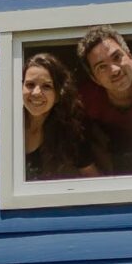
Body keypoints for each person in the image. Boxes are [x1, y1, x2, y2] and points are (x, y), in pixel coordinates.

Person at [21, 51, 109, 180]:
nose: (36, 93)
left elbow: (92, 176)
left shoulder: (71, 134)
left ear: (58, 95)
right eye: (30, 85)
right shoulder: (9, 125)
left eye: (46, 86)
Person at [75, 26, 132, 163]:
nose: (114, 70)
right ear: (94, 79)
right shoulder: (86, 98)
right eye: (102, 67)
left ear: (130, 57)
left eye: (117, 57)